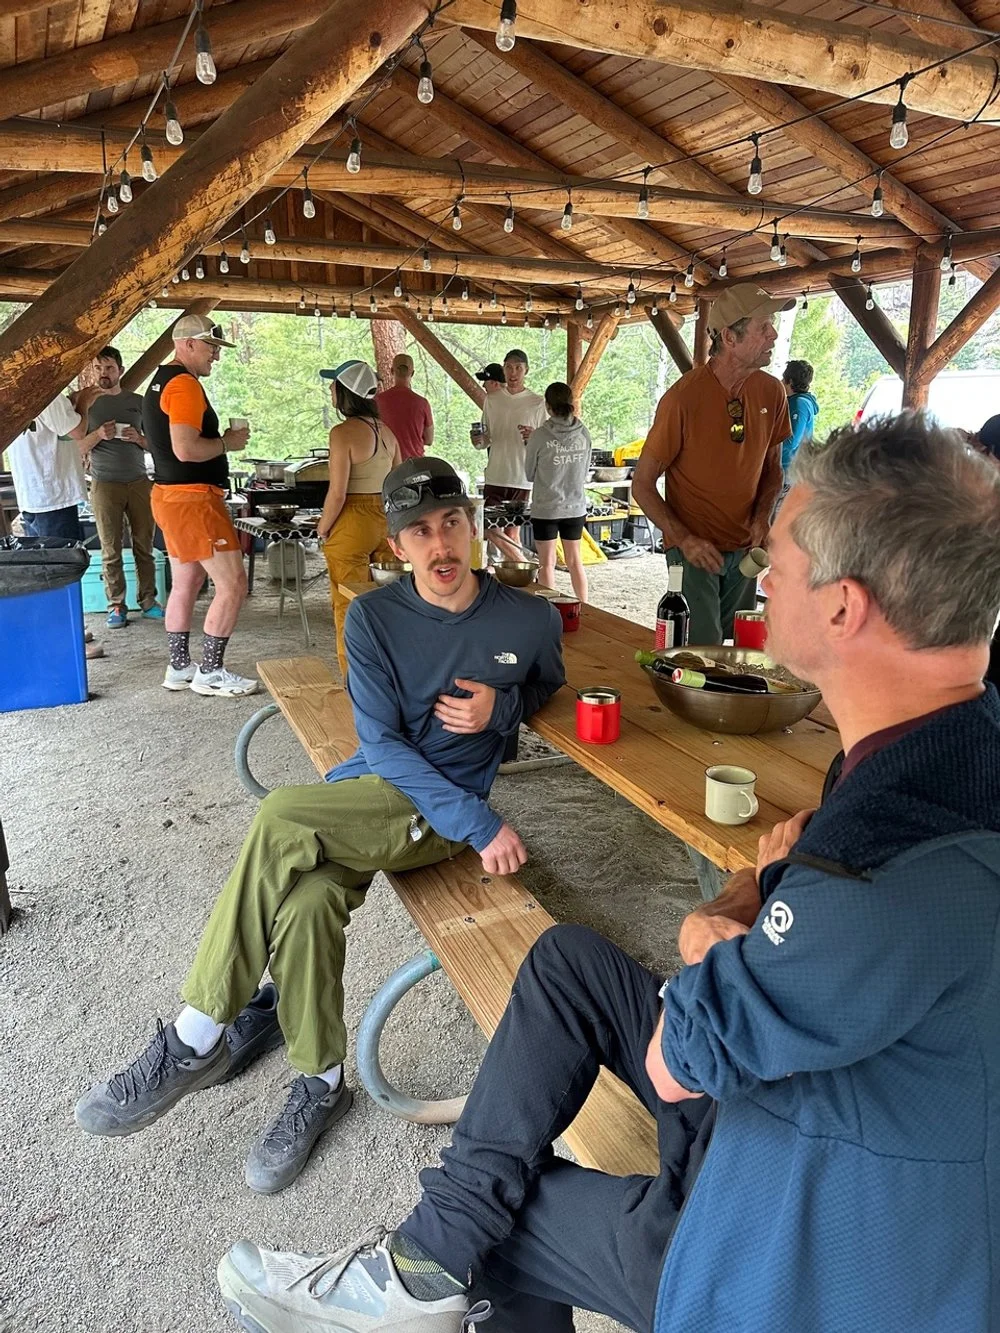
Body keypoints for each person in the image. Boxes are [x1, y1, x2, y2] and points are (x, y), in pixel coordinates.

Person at [215, 413, 1000, 1333]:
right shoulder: (944, 746)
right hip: (821, 1100)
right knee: (567, 961)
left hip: (793, 1240)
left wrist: (714, 927)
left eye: (777, 558)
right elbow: (792, 907)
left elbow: (680, 1063)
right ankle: (421, 1277)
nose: (758, 572)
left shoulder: (886, 865)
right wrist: (755, 895)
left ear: (844, 607)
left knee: (490, 1220)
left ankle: (422, 1273)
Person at [75, 457, 565, 1199]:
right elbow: (385, 742)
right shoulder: (373, 618)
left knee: (278, 813)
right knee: (305, 903)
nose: (440, 546)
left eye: (451, 524)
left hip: (441, 813)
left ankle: (196, 1034)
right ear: (396, 545)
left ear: (474, 526)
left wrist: (497, 721)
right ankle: (322, 1081)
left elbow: (545, 686)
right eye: (419, 532)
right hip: (378, 787)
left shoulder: (528, 617)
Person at [633, 283, 793, 646]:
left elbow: (773, 468)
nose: (774, 334)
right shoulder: (683, 399)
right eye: (763, 326)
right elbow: (642, 485)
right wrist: (684, 539)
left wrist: (761, 517)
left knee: (738, 646)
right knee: (699, 650)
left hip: (744, 548)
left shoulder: (772, 391)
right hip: (694, 550)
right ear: (729, 338)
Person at [142, 312, 256, 697]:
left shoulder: (158, 382)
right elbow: (186, 448)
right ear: (188, 344)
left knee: (187, 580)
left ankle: (179, 667)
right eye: (211, 347)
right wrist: (228, 443)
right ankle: (211, 671)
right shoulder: (185, 386)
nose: (216, 356)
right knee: (233, 583)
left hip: (168, 497)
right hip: (193, 500)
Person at [317, 360, 402, 679]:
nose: (330, 389)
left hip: (351, 521)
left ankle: (354, 679)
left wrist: (323, 528)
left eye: (333, 384)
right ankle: (387, 676)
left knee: (348, 605)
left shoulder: (342, 433)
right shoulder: (388, 432)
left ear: (345, 391)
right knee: (384, 604)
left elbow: (337, 493)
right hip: (386, 520)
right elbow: (397, 483)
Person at [81, 345, 163, 629]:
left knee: (144, 545)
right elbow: (76, 446)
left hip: (139, 481)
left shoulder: (138, 402)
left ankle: (149, 600)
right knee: (110, 548)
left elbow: (159, 445)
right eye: (99, 368)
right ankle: (116, 604)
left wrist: (139, 439)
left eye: (109, 368)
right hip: (104, 483)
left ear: (121, 371)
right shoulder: (84, 403)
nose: (103, 374)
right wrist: (98, 434)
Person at [6, 392, 114, 540]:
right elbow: (78, 432)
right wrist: (83, 402)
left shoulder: (13, 396)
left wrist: (70, 403)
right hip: (54, 496)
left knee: (43, 559)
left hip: (31, 494)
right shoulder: (47, 395)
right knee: (64, 559)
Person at [524, 381, 592, 603]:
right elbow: (585, 469)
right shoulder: (584, 434)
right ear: (570, 403)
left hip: (546, 507)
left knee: (547, 563)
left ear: (548, 406)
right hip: (575, 506)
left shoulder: (539, 436)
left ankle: (549, 610)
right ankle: (585, 608)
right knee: (575, 562)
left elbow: (529, 474)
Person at [472, 349, 547, 538]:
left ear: (526, 370)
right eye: (509, 368)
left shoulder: (537, 402)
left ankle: (517, 564)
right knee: (490, 529)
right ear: (504, 370)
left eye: (518, 368)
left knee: (512, 532)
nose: (513, 373)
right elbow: (485, 438)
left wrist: (534, 437)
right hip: (495, 475)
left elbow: (548, 443)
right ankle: (502, 564)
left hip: (522, 477)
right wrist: (479, 441)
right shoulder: (492, 400)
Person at [375, 352, 434, 461]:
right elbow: (429, 440)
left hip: (387, 464)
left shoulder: (378, 401)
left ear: (392, 371)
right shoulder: (422, 403)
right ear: (412, 373)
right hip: (414, 465)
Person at [780, 359, 818, 477]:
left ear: (789, 381)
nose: (781, 381)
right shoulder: (793, 402)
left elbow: (792, 441)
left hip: (788, 469)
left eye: (783, 378)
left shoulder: (800, 404)